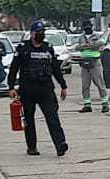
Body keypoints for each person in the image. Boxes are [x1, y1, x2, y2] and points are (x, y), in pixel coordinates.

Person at [8, 21, 69, 156]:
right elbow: (14, 68)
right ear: (32, 34)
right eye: (38, 32)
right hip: (28, 89)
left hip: (45, 89)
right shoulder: (23, 48)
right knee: (29, 120)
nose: (41, 35)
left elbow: (55, 69)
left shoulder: (48, 48)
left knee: (52, 117)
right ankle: (32, 147)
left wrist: (63, 86)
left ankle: (60, 144)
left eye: (43, 32)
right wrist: (11, 86)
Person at [74, 19, 109, 113]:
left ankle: (105, 104)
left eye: (89, 27)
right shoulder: (81, 37)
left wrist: (92, 45)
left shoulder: (97, 35)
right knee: (85, 85)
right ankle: (87, 105)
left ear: (92, 27)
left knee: (100, 84)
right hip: (84, 63)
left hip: (95, 62)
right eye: (85, 28)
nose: (87, 29)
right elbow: (77, 47)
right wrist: (82, 46)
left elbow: (103, 42)